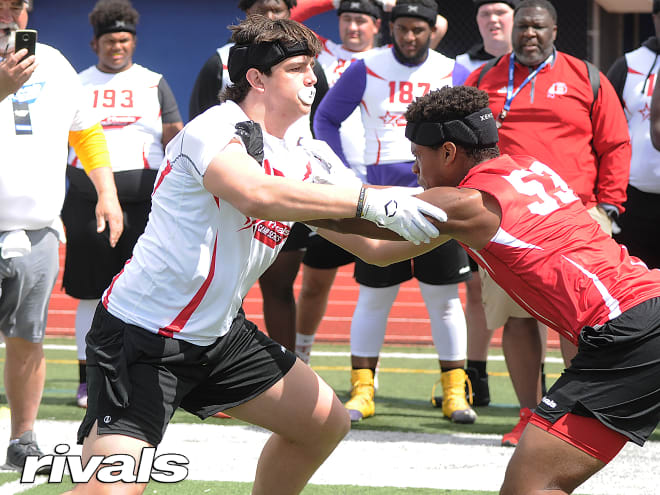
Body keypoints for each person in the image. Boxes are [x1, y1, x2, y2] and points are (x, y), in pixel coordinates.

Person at [62, 15, 446, 495]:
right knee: (113, 489)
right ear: (256, 78)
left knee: (323, 423)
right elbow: (256, 194)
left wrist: (465, 221)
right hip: (143, 337)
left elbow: (377, 247)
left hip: (220, 336)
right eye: (298, 68)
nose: (313, 77)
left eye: (313, 67)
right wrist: (368, 198)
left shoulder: (312, 155)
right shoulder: (215, 127)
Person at [316, 83, 660, 495]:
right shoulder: (528, 167)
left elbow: (357, 218)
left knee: (529, 485)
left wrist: (284, 188)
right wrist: (316, 218)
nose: (414, 170)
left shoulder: (466, 205)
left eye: (417, 157)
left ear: (447, 152)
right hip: (647, 305)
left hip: (626, 335)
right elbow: (379, 251)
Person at [465, 0, 631, 446]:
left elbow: (615, 143)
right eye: (523, 26)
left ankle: (576, 412)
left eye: (539, 26)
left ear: (555, 29)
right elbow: (460, 142)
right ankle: (528, 414)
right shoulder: (483, 79)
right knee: (517, 320)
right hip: (505, 221)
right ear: (512, 29)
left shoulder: (587, 76)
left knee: (580, 322)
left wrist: (610, 207)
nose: (529, 34)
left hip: (575, 218)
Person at [314, 0, 476, 424]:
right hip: (381, 199)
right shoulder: (367, 67)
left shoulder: (453, 71)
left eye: (417, 30)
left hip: (440, 200)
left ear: (432, 29)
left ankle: (454, 392)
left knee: (444, 300)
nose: (409, 37)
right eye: (402, 28)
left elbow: (477, 131)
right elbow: (326, 119)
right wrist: (348, 176)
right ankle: (363, 390)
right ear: (391, 28)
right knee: (373, 297)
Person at [0, 0, 123, 473]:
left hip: (36, 231)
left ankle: (22, 437)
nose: (10, 15)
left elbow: (86, 131)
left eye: (18, 6)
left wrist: (106, 191)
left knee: (26, 338)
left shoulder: (52, 61)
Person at [189, 0, 330, 354]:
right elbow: (200, 128)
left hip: (291, 187)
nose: (272, 16)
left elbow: (320, 123)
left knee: (280, 288)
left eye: (279, 8)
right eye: (263, 8)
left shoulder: (309, 71)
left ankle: (291, 368)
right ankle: (212, 371)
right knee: (224, 288)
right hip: (232, 193)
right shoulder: (218, 69)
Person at [62, 0, 184, 410]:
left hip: (145, 205)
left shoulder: (154, 82)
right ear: (95, 43)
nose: (117, 47)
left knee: (148, 292)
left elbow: (174, 136)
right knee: (92, 294)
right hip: (86, 202)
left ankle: (143, 374)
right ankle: (87, 379)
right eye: (110, 41)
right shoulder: (75, 84)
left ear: (133, 42)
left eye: (124, 40)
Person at [294, 0, 383, 364]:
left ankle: (367, 372)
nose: (353, 27)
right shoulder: (323, 51)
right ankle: (301, 355)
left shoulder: (391, 57)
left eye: (361, 20)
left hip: (377, 183)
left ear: (377, 24)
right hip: (329, 183)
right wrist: (332, 1)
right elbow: (292, 17)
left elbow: (437, 24)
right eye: (346, 19)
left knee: (376, 287)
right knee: (314, 282)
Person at [455, 0, 518, 408]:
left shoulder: (561, 68)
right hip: (483, 197)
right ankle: (473, 375)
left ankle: (543, 386)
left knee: (533, 294)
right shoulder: (465, 68)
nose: (493, 21)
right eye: (485, 14)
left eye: (502, 13)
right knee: (475, 290)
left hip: (533, 201)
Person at [607, 0, 660, 271]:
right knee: (639, 285)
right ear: (654, 18)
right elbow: (604, 132)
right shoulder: (628, 64)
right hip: (636, 199)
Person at [456, 0, 517, 73]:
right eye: (485, 14)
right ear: (477, 20)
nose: (492, 19)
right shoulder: (463, 64)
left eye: (500, 12)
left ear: (516, 17)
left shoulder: (529, 61)